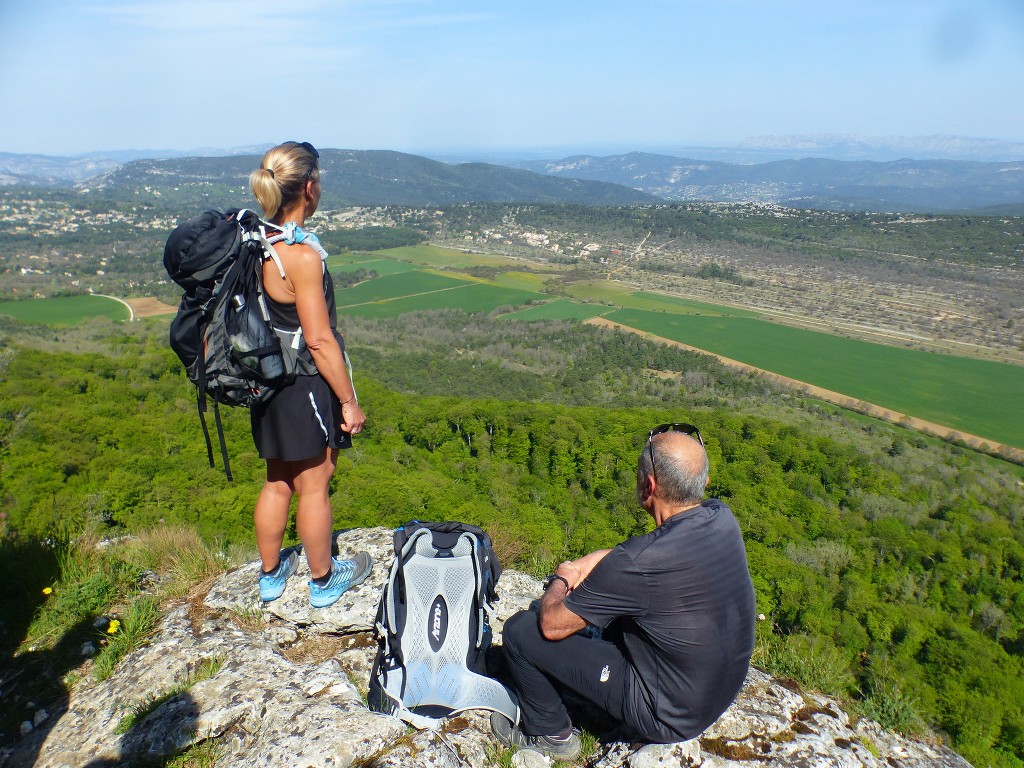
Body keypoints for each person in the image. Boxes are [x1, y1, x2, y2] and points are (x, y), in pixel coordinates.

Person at [492, 423, 755, 760]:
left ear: (649, 485)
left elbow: (552, 626)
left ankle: (551, 735)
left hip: (667, 715)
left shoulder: (637, 563)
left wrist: (560, 580)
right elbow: (635, 562)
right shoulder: (722, 517)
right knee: (610, 616)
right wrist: (590, 563)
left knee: (522, 630)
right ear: (704, 482)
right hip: (715, 691)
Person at [247, 141, 371, 609]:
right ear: (310, 188)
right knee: (315, 483)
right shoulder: (301, 256)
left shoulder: (258, 241)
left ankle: (271, 576)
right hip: (303, 384)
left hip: (267, 381)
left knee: (277, 478)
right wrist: (348, 401)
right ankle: (324, 582)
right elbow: (318, 340)